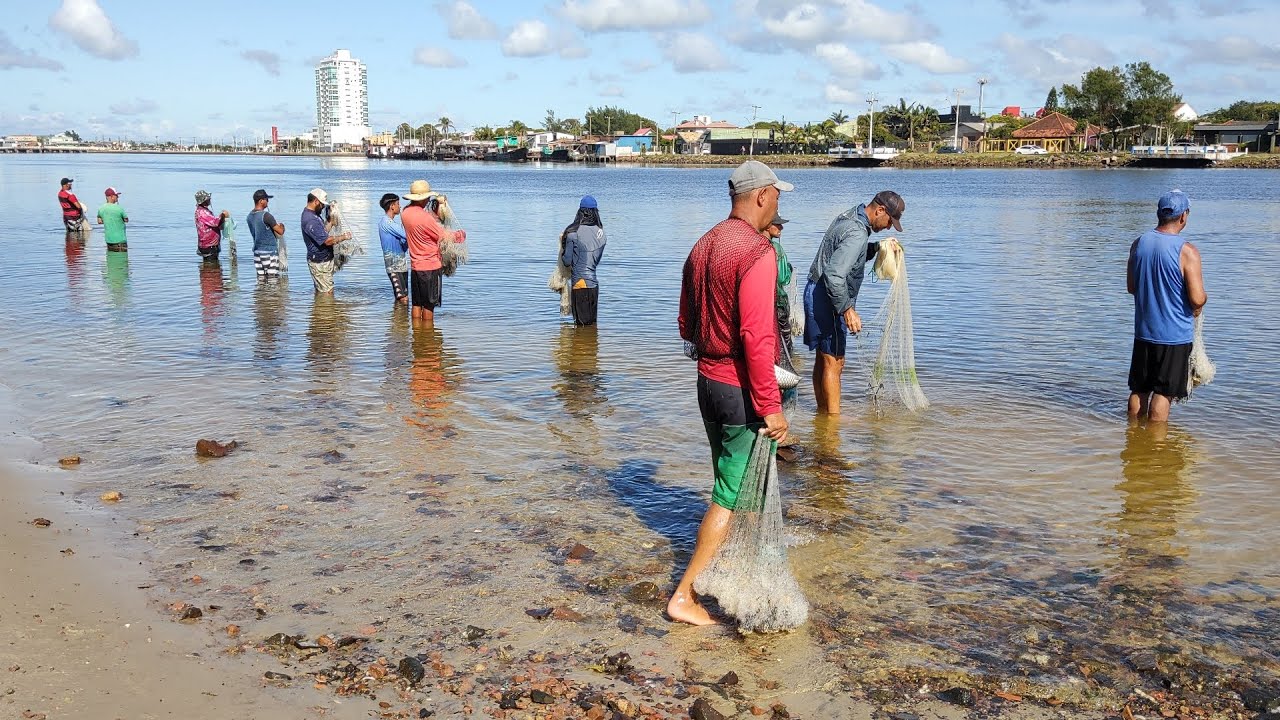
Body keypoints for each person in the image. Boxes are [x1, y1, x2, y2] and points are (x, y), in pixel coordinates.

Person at [670, 160, 792, 626]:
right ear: (761, 196)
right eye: (777, 195)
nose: (778, 203)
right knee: (730, 491)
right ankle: (684, 594)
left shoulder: (703, 245)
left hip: (707, 383)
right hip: (740, 389)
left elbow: (685, 323)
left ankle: (741, 567)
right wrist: (771, 407)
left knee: (733, 483)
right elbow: (757, 337)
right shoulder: (757, 253)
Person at [803, 190, 905, 414]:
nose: (889, 227)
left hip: (815, 290)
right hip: (829, 296)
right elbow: (835, 275)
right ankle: (833, 424)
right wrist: (847, 309)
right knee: (835, 362)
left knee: (823, 357)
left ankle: (822, 416)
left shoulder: (849, 216)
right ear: (880, 210)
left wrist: (878, 247)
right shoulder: (858, 232)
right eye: (890, 220)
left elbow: (849, 254)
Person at [1126, 190, 1207, 422]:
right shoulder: (1187, 251)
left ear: (1159, 214)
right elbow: (1197, 298)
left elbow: (1132, 287)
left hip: (1143, 333)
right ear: (1183, 217)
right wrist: (1203, 300)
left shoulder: (1138, 243)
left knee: (1139, 389)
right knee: (1164, 393)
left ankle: (1133, 437)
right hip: (1174, 336)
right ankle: (1156, 447)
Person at [401, 180, 466, 324]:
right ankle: (429, 340)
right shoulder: (425, 218)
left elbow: (424, 220)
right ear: (424, 198)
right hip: (430, 267)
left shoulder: (405, 213)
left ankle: (418, 336)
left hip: (416, 267)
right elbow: (444, 236)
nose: (429, 199)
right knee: (429, 306)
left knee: (417, 304)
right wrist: (460, 235)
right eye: (428, 197)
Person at [560, 195, 607, 326]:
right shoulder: (602, 234)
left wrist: (562, 248)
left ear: (580, 212)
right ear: (595, 212)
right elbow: (595, 261)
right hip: (594, 285)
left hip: (579, 284)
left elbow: (567, 261)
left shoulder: (573, 233)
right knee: (591, 326)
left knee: (580, 327)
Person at [300, 188, 350, 294]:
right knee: (327, 293)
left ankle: (319, 309)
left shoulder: (313, 215)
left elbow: (322, 233)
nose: (323, 207)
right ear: (316, 201)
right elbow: (326, 241)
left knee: (322, 292)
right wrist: (343, 237)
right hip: (319, 262)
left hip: (322, 261)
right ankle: (325, 310)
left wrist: (330, 222)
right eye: (322, 204)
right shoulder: (311, 220)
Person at [764, 214, 795, 362]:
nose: (781, 227)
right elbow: (784, 278)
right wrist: (788, 268)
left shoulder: (754, 244)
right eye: (778, 224)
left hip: (761, 305)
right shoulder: (777, 248)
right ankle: (786, 369)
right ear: (767, 226)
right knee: (784, 339)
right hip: (779, 302)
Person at [246, 189, 285, 279]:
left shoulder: (249, 216)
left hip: (257, 253)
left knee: (261, 280)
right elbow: (280, 231)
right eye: (266, 199)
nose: (268, 201)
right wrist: (282, 226)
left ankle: (262, 293)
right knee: (273, 280)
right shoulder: (266, 216)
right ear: (261, 201)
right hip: (269, 253)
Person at [378, 192, 410, 303]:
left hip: (401, 264)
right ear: (392, 206)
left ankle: (401, 319)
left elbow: (404, 243)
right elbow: (406, 235)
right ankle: (399, 319)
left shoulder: (392, 223)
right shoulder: (386, 222)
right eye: (397, 204)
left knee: (403, 296)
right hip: (393, 266)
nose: (399, 206)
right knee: (402, 298)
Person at [194, 190, 230, 263]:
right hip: (209, 246)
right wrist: (223, 215)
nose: (210, 199)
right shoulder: (202, 212)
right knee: (212, 269)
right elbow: (215, 223)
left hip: (208, 245)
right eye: (208, 199)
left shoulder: (202, 210)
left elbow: (216, 223)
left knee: (210, 267)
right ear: (203, 201)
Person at [95, 187, 129, 252]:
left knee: (110, 261)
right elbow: (126, 220)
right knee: (122, 261)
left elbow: (99, 221)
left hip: (109, 241)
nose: (118, 197)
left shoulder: (101, 208)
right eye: (116, 195)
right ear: (112, 196)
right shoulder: (119, 208)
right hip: (120, 241)